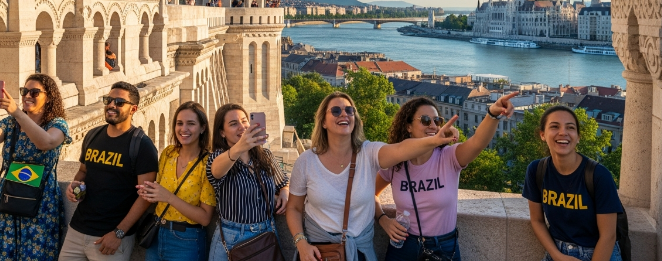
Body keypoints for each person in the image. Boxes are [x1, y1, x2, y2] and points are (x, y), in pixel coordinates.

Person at [286, 91, 460, 261]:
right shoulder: (307, 161)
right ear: (323, 121)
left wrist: (434, 139)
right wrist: (301, 243)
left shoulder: (368, 153)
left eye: (349, 110)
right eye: (336, 111)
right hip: (318, 252)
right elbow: (294, 208)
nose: (344, 114)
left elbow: (401, 149)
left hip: (360, 252)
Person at [373, 93, 516, 261]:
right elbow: (371, 193)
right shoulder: (396, 163)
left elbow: (477, 142)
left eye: (437, 121)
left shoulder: (449, 157)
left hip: (444, 247)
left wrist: (492, 114)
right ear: (408, 127)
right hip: (404, 245)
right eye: (426, 120)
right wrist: (383, 220)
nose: (433, 125)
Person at [0, 74, 72, 261]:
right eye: (24, 91)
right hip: (9, 198)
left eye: (34, 92)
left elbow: (46, 142)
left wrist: (17, 112)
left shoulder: (57, 124)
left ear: (49, 97)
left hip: (41, 202)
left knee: (35, 255)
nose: (28, 95)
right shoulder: (11, 123)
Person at [59, 82, 158, 261]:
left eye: (119, 102)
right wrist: (75, 186)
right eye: (109, 100)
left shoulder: (142, 145)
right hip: (77, 230)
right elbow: (83, 171)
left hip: (110, 238)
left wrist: (119, 233)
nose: (111, 105)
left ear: (133, 109)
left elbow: (145, 196)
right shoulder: (93, 135)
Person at [523, 105, 623, 261]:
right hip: (557, 252)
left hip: (598, 253)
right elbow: (537, 220)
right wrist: (557, 256)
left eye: (570, 128)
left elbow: (608, 236)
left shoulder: (598, 175)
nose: (563, 132)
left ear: (578, 137)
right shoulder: (536, 170)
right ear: (542, 134)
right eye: (555, 126)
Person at [206, 104, 289, 261]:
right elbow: (216, 172)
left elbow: (283, 182)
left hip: (265, 234)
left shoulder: (265, 156)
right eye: (233, 124)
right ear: (222, 133)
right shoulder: (218, 157)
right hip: (232, 237)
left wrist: (284, 192)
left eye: (244, 121)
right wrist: (240, 146)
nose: (242, 127)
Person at [137, 101, 216, 261]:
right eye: (179, 123)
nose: (183, 129)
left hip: (187, 241)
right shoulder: (168, 153)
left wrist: (168, 197)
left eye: (191, 124)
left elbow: (205, 218)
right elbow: (159, 190)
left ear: (202, 128)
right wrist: (148, 192)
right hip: (157, 234)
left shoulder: (208, 163)